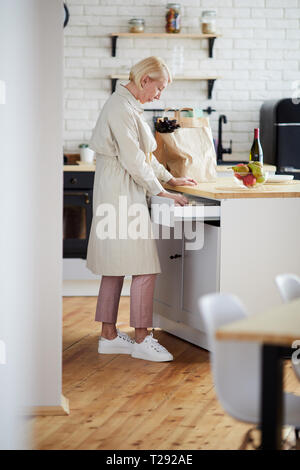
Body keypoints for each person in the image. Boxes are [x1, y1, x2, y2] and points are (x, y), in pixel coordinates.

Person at [86, 56, 197, 362]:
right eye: (158, 88)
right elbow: (135, 160)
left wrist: (170, 177)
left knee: (114, 266)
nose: (159, 95)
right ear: (145, 79)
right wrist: (161, 190)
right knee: (144, 266)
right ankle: (142, 339)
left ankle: (108, 336)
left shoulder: (127, 104)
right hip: (121, 193)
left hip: (120, 189)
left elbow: (145, 157)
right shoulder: (120, 108)